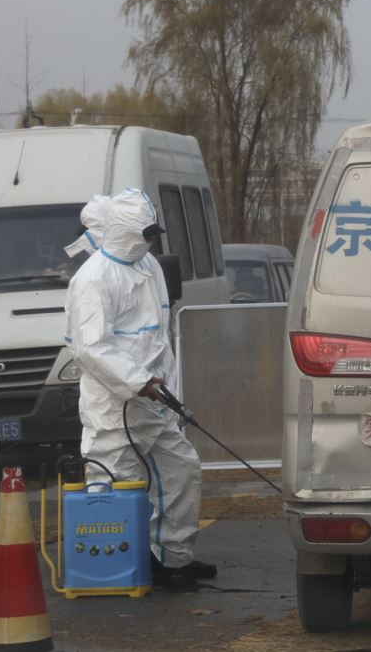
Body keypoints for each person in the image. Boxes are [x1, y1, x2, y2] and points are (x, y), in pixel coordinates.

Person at [65, 189, 216, 587]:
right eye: (143, 233)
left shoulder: (146, 265)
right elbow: (90, 347)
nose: (149, 240)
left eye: (152, 233)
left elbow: (156, 336)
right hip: (117, 410)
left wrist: (166, 391)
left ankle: (172, 559)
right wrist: (137, 381)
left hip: (155, 402)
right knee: (114, 488)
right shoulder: (93, 279)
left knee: (181, 470)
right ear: (121, 231)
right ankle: (114, 571)